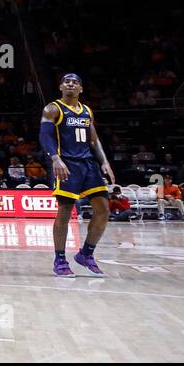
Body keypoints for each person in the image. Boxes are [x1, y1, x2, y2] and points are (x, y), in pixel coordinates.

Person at [41, 73, 114, 278]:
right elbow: (44, 135)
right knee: (65, 210)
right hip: (66, 163)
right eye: (67, 81)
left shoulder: (87, 111)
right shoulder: (52, 108)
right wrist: (55, 158)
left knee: (103, 209)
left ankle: (86, 254)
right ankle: (60, 259)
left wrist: (105, 162)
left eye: (75, 82)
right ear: (61, 87)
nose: (71, 84)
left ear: (81, 89)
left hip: (89, 164)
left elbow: (94, 140)